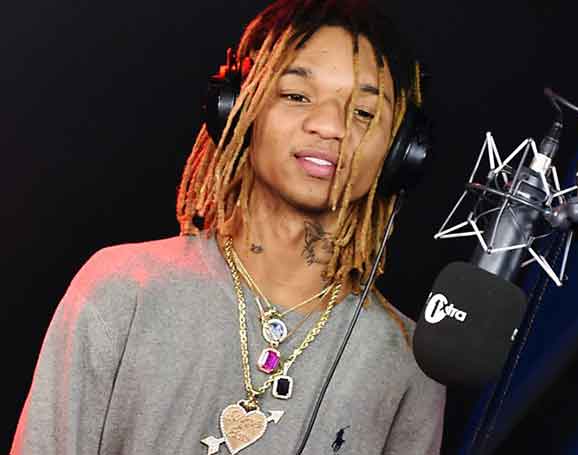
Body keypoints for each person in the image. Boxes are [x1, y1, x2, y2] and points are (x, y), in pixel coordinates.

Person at [11, 0, 446, 454]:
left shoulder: (409, 362)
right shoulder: (124, 288)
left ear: (401, 151)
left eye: (364, 113)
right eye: (297, 95)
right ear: (237, 107)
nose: (329, 125)